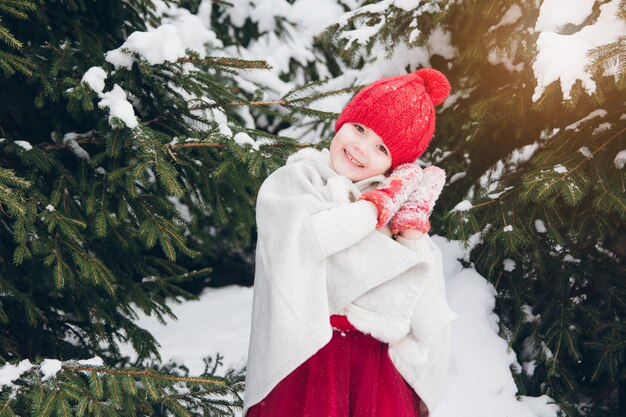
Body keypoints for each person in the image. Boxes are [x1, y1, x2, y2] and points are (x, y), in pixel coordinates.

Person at [243, 68, 458, 417]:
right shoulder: (298, 179)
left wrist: (411, 225)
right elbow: (317, 239)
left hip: (373, 367)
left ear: (393, 165)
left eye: (381, 147)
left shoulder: (391, 205)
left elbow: (421, 296)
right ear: (342, 121)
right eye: (359, 128)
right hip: (308, 358)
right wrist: (378, 207)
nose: (360, 147)